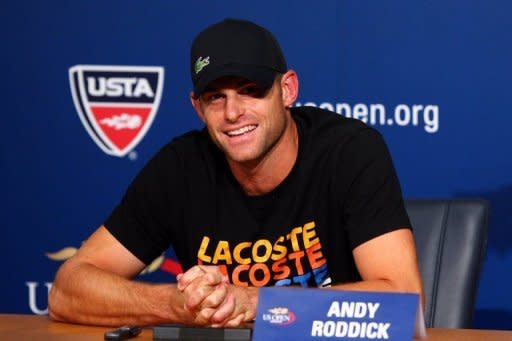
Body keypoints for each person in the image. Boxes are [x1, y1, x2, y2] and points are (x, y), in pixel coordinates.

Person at [48, 18, 423, 327]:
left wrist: (257, 301)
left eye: (250, 90)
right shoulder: (181, 167)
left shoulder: (348, 151)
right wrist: (179, 304)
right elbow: (67, 290)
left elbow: (405, 300)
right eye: (216, 97)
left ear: (287, 90)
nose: (232, 113)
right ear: (198, 107)